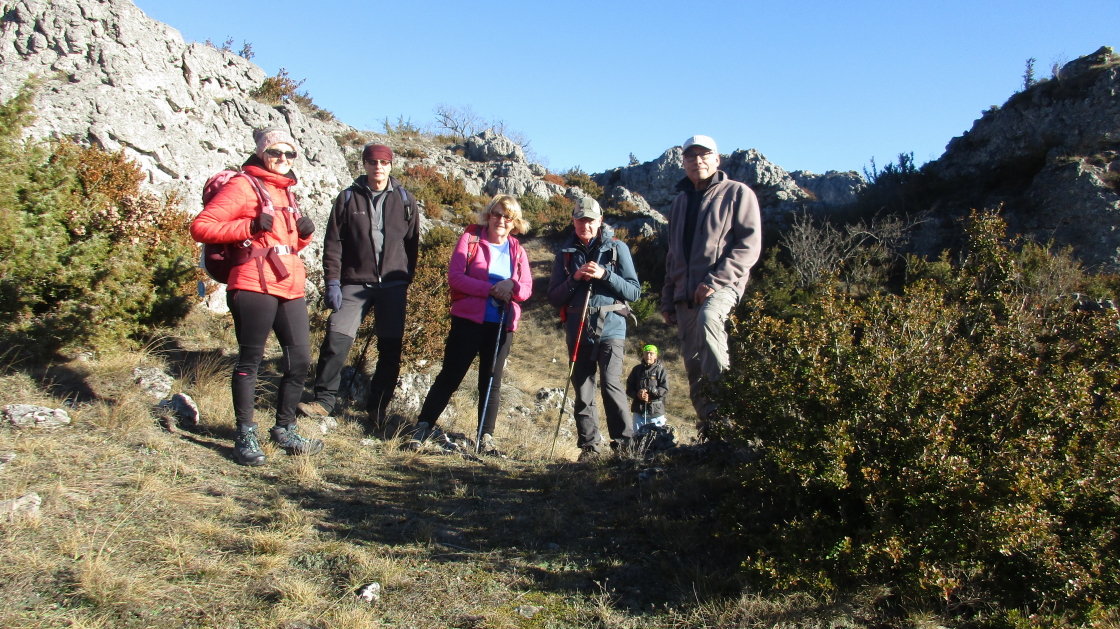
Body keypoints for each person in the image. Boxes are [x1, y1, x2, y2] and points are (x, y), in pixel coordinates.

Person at [190, 127, 322, 466]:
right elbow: (201, 227)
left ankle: (285, 429)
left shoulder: (287, 192)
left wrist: (304, 237)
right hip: (252, 282)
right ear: (262, 153)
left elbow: (283, 243)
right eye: (275, 152)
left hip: (289, 284)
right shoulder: (243, 185)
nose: (282, 158)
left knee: (300, 360)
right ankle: (245, 435)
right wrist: (247, 227)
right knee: (251, 361)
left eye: (289, 153)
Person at [298, 143, 420, 427]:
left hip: (393, 285)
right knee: (336, 339)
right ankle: (323, 401)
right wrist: (332, 282)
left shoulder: (405, 200)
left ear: (391, 165)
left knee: (390, 349)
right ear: (364, 164)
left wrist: (405, 278)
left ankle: (377, 408)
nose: (378, 167)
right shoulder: (347, 198)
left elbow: (412, 243)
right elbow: (333, 243)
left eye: (384, 162)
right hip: (354, 282)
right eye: (372, 162)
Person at [409, 195, 533, 454]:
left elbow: (526, 290)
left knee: (491, 381)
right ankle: (423, 425)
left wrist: (511, 284)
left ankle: (485, 438)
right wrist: (491, 289)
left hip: (501, 324)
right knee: (451, 374)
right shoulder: (470, 239)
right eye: (496, 214)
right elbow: (455, 278)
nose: (501, 220)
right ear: (488, 215)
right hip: (468, 320)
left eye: (507, 217)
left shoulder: (517, 251)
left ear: (514, 222)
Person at [661, 135, 762, 436]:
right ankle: (712, 429)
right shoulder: (678, 203)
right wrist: (668, 299)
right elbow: (673, 256)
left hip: (722, 285)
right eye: (690, 156)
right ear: (683, 163)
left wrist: (714, 281)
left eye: (704, 155)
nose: (697, 161)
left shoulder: (737, 193)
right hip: (685, 295)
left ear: (717, 159)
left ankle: (727, 417)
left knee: (709, 322)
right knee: (693, 365)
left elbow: (749, 245)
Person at [547, 198, 642, 460]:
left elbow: (634, 292)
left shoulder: (618, 248)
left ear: (600, 220)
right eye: (580, 220)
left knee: (611, 383)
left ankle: (624, 447)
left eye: (590, 220)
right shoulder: (565, 254)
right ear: (573, 221)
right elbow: (554, 297)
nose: (584, 225)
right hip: (577, 329)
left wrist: (605, 275)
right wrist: (575, 278)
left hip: (612, 329)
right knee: (583, 389)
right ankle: (590, 449)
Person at [626, 344, 669, 434]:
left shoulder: (661, 370)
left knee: (658, 437)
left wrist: (649, 391)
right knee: (638, 436)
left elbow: (664, 389)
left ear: (656, 356)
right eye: (646, 353)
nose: (648, 356)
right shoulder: (636, 369)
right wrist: (638, 395)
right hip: (638, 410)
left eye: (651, 353)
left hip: (655, 411)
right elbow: (629, 388)